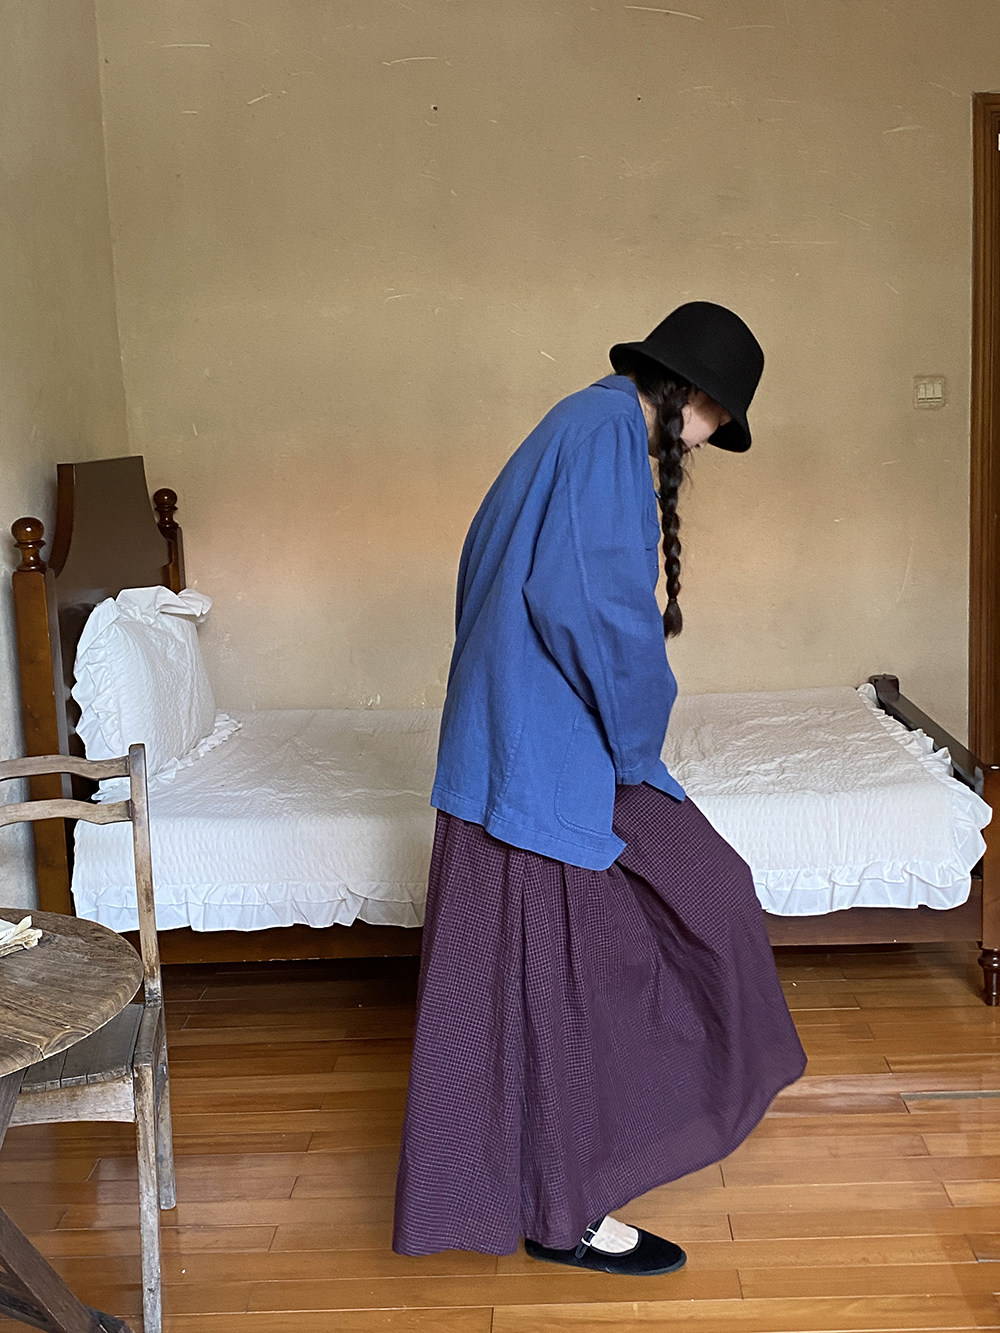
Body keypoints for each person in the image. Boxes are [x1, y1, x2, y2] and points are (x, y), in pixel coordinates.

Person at [392, 301, 807, 1275]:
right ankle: (567, 1210)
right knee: (624, 954)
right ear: (691, 391)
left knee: (581, 970)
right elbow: (596, 611)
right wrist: (635, 744)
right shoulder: (606, 432)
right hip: (546, 758)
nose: (711, 434)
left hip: (523, 747)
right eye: (718, 414)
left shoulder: (587, 422)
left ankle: (555, 1195)